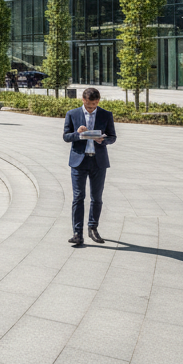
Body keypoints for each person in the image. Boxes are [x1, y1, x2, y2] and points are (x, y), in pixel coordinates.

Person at [63, 86, 116, 246]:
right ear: (83, 100)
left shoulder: (106, 115)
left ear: (98, 101)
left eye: (94, 105)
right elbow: (66, 137)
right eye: (88, 105)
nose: (91, 108)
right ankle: (77, 233)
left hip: (98, 162)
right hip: (79, 162)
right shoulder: (72, 114)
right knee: (78, 197)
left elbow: (113, 137)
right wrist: (78, 134)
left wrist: (103, 140)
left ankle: (93, 228)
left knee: (97, 197)